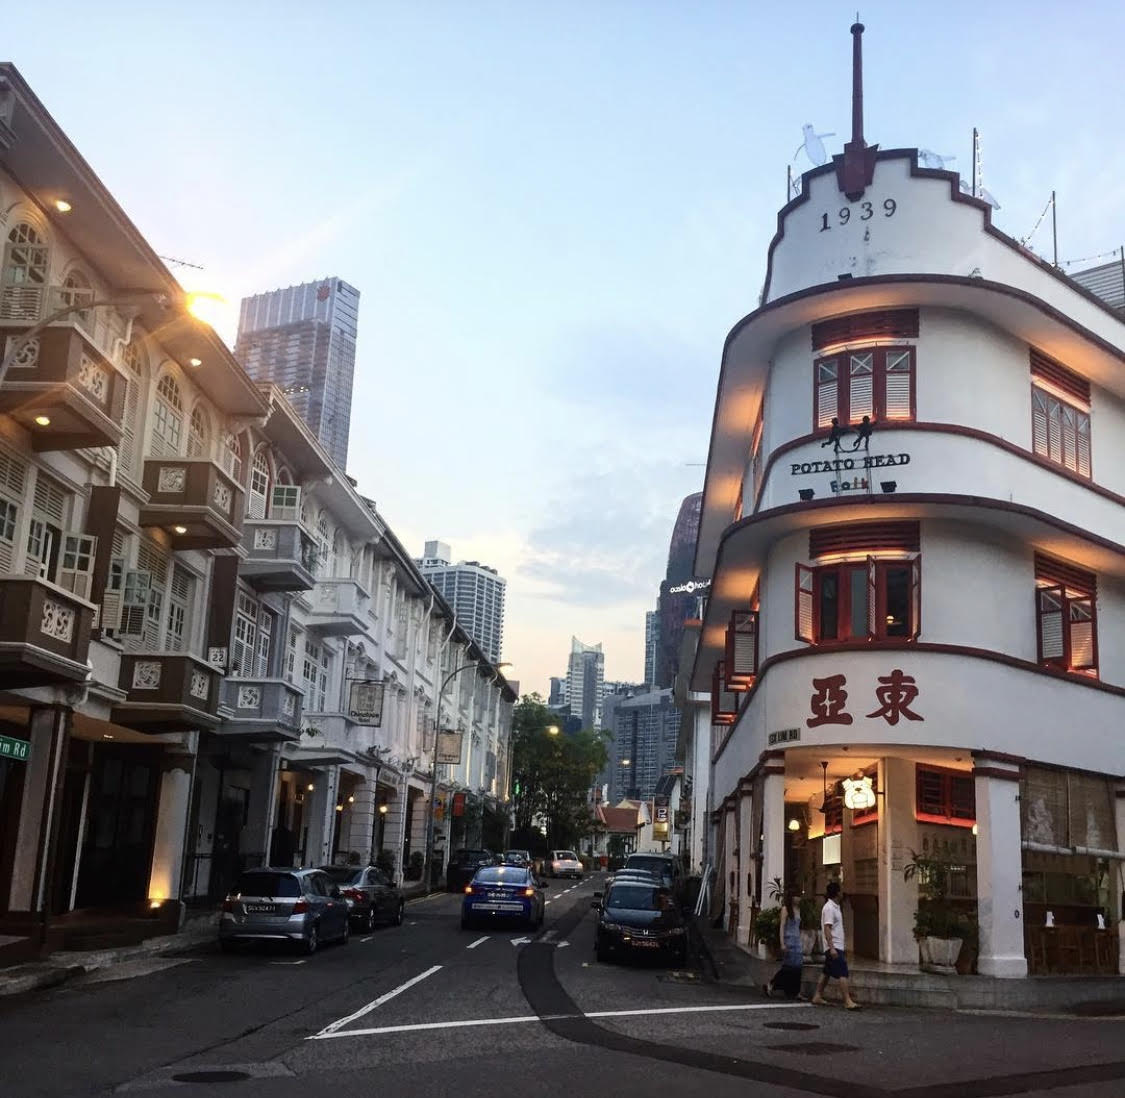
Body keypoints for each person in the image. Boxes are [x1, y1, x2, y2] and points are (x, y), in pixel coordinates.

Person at [812, 880, 861, 1009]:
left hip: (836, 945)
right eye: (841, 890)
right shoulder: (829, 908)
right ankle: (847, 1000)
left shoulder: (835, 906)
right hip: (834, 946)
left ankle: (817, 995)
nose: (842, 893)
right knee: (842, 972)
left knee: (827, 972)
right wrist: (832, 947)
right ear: (837, 893)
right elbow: (827, 928)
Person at [764, 886, 806, 1000]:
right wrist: (782, 943)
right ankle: (772, 984)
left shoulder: (798, 909)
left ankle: (795, 991)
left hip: (797, 941)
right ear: (792, 898)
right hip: (789, 940)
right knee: (788, 967)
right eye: (797, 896)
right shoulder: (785, 909)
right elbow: (782, 926)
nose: (799, 899)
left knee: (798, 967)